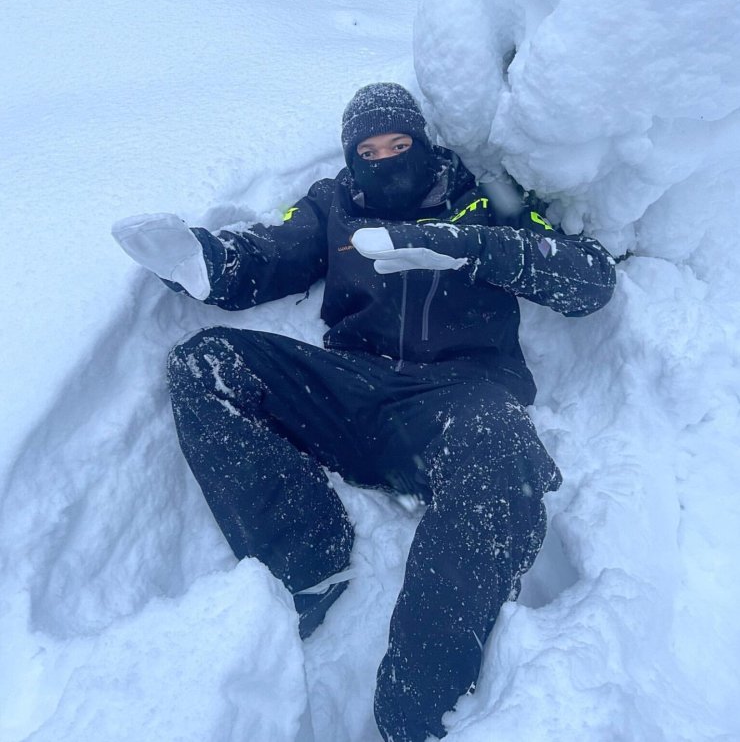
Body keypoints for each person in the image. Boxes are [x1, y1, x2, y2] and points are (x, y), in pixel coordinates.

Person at [112, 83, 616, 742]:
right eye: (368, 151)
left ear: (423, 144)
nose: (384, 160)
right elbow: (271, 255)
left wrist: (473, 245)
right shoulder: (335, 203)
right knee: (205, 363)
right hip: (355, 387)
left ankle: (416, 712)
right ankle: (310, 557)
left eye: (399, 145)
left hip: (461, 398)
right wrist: (204, 262)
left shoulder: (483, 199)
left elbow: (589, 279)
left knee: (500, 451)